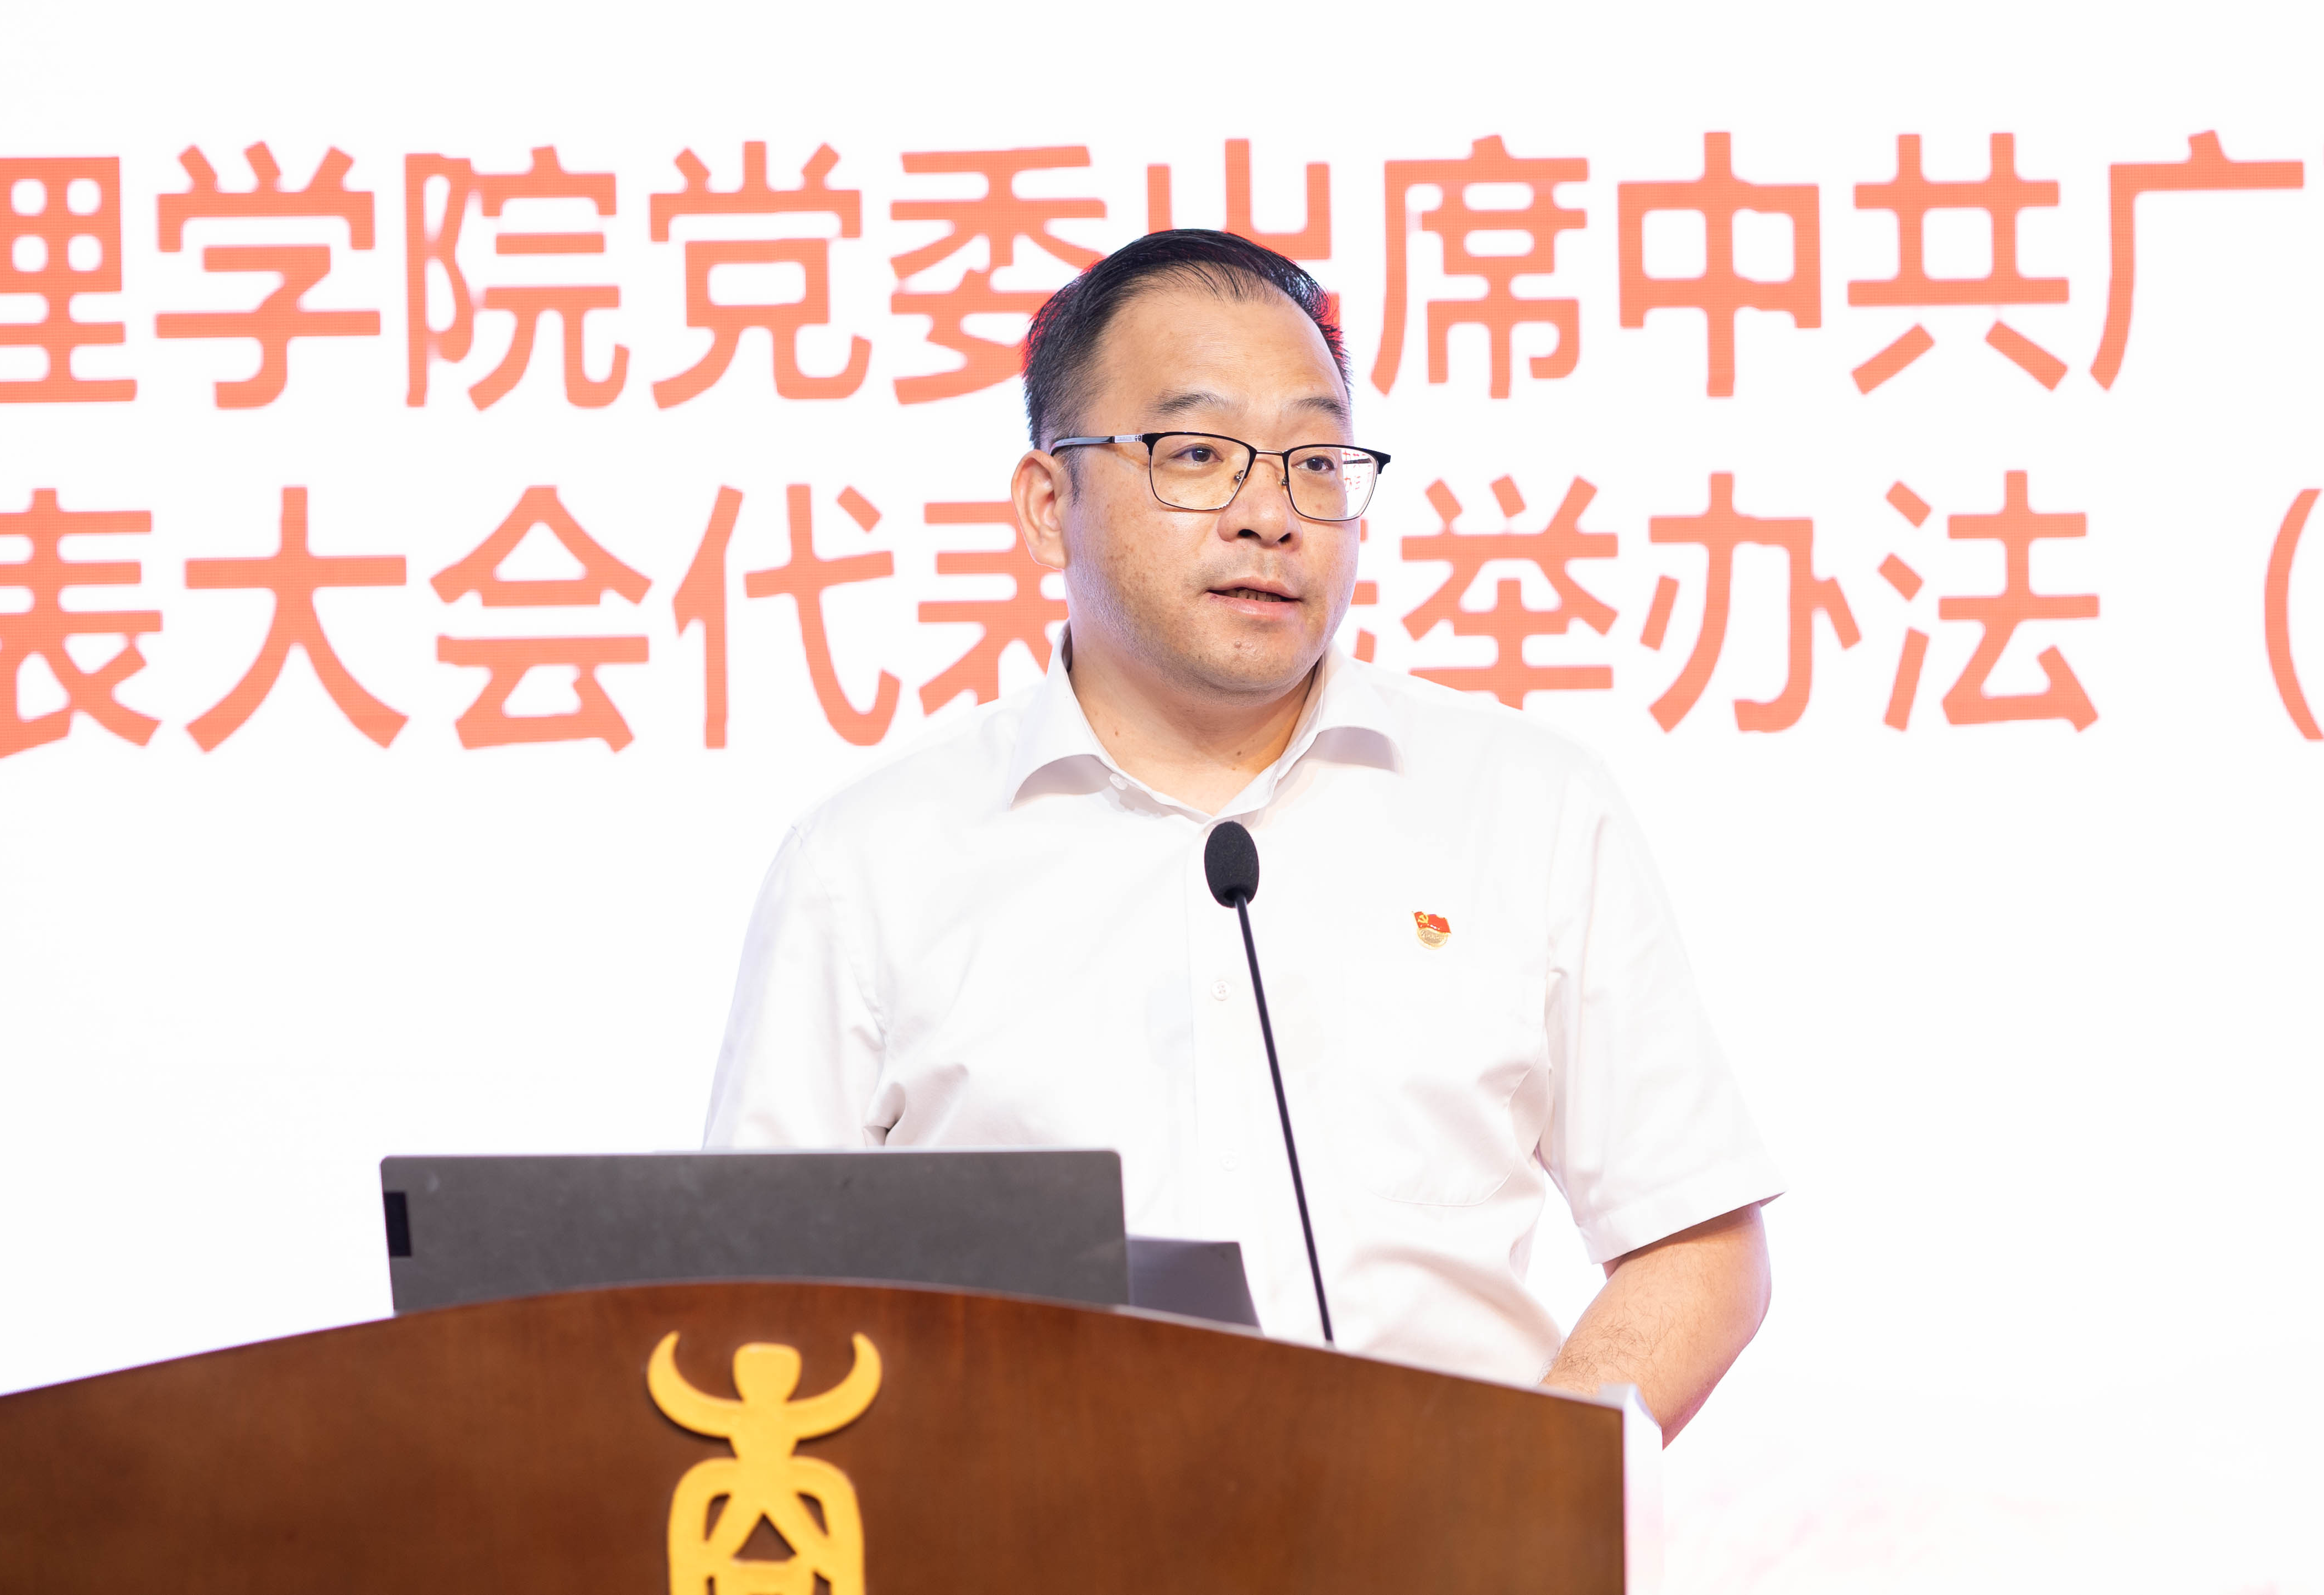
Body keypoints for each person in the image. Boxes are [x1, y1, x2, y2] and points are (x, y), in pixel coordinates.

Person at [702, 229, 1777, 1436]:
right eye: (1198, 455)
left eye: (1316, 462)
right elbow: (754, 1295)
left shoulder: (1527, 806)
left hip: (1440, 1531)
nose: (1270, 514)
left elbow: (1696, 1244)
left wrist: (1517, 1499)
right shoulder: (869, 865)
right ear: (1048, 505)